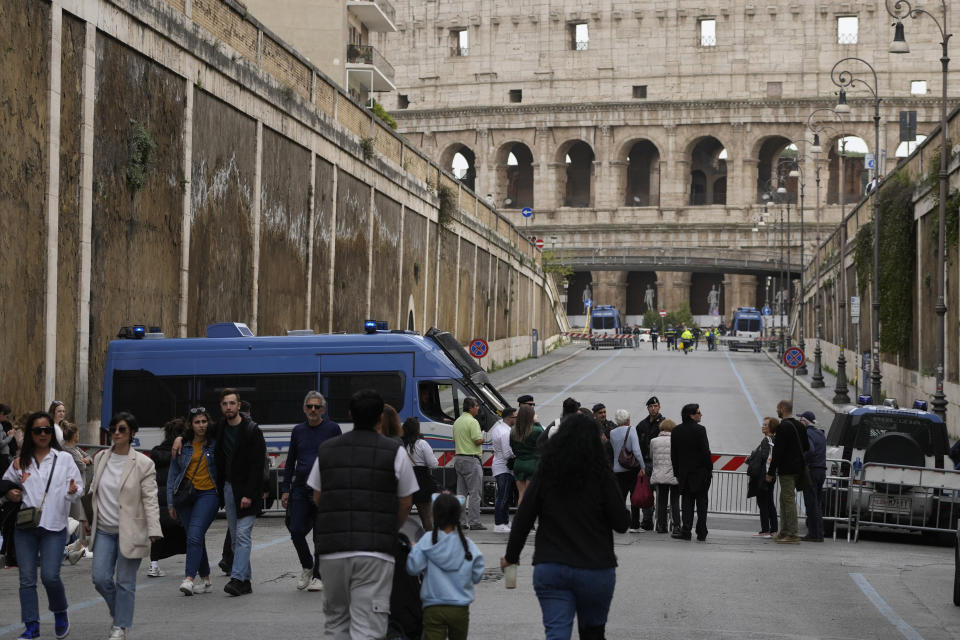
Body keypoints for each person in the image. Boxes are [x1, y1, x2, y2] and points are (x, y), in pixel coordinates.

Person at [501, 413, 629, 640]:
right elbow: (621, 523)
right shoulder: (601, 475)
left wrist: (511, 557)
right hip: (595, 568)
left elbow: (524, 518)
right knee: (593, 633)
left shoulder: (546, 473)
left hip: (551, 567)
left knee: (556, 633)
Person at [308, 388, 418, 640]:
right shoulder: (394, 452)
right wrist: (391, 526)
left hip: (332, 550)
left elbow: (317, 496)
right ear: (381, 417)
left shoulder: (327, 450)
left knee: (336, 621)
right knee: (367, 625)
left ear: (350, 415)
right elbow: (406, 499)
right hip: (375, 550)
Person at [2, 411, 84, 640]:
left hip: (54, 526)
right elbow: (6, 484)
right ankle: (31, 626)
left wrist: (73, 491)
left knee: (50, 576)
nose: (42, 434)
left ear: (52, 433)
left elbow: (80, 488)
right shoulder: (20, 461)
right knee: (27, 579)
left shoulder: (64, 459)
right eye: (37, 430)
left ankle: (60, 612)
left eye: (47, 430)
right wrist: (11, 493)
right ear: (30, 433)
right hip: (25, 528)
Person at [89, 412, 162, 640]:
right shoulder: (101, 457)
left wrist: (153, 529)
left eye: (121, 429)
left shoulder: (143, 463)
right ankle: (118, 613)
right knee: (100, 578)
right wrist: (86, 518)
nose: (116, 434)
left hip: (131, 530)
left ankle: (120, 626)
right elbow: (94, 490)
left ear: (131, 432)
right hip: (103, 529)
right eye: (113, 430)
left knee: (125, 582)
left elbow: (150, 498)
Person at [280, 391, 341, 592]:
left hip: (325, 489)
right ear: (304, 409)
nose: (313, 410)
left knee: (320, 536)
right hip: (300, 487)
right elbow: (290, 461)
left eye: (316, 406)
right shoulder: (298, 430)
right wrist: (285, 489)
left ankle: (318, 576)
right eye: (309, 406)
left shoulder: (333, 429)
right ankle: (307, 566)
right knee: (296, 529)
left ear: (323, 409)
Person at [405, 493, 485, 640]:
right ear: (457, 516)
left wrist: (414, 549)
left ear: (434, 516)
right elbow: (477, 574)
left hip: (433, 606)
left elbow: (413, 568)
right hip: (460, 607)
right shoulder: (467, 545)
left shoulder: (427, 541)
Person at [213, 388, 267, 596]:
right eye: (225, 404)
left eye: (232, 403)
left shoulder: (252, 430)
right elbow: (197, 429)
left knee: (243, 534)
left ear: (239, 405)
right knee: (236, 538)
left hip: (247, 491)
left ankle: (236, 578)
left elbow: (257, 465)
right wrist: (181, 437)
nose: (229, 407)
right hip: (228, 488)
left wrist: (250, 494)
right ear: (221, 407)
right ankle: (245, 581)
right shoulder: (219, 428)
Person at [167, 408, 218, 596]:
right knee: (195, 537)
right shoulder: (183, 445)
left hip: (209, 495)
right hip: (186, 497)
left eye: (204, 421)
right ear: (190, 425)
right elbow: (173, 475)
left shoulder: (214, 443)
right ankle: (206, 579)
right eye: (197, 422)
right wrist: (171, 503)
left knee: (195, 535)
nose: (201, 425)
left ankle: (189, 578)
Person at [147, 418, 187, 578]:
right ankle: (195, 565)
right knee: (188, 531)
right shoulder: (183, 451)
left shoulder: (156, 452)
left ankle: (153, 565)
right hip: (176, 498)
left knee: (159, 533)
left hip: (158, 498)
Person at [765, 400, 808, 544]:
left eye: (778, 409)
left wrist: (770, 472)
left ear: (783, 409)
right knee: (783, 500)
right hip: (798, 469)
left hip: (787, 470)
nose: (777, 411)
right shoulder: (799, 426)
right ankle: (783, 532)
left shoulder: (783, 427)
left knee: (788, 500)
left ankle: (793, 534)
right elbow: (806, 446)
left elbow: (778, 452)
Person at [670, 403, 712, 541]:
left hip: (685, 475)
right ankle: (701, 531)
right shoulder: (700, 430)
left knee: (687, 504)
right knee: (702, 503)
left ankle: (686, 530)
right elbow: (705, 452)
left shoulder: (676, 431)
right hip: (700, 473)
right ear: (691, 415)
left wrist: (677, 472)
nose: (701, 414)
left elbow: (674, 455)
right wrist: (709, 469)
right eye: (698, 412)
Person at [452, 396, 485, 530]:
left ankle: (461, 521)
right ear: (470, 408)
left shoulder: (457, 421)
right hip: (471, 459)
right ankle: (474, 522)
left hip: (459, 458)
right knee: (474, 493)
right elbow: (477, 440)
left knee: (461, 493)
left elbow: (454, 440)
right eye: (476, 406)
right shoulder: (473, 422)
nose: (478, 408)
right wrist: (483, 437)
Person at [61, 422, 92, 564]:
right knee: (74, 519)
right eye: (78, 433)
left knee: (77, 520)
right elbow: (82, 465)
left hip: (79, 490)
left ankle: (73, 549)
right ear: (74, 435)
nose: (79, 436)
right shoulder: (68, 450)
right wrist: (85, 461)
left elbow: (89, 458)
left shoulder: (76, 449)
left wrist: (85, 460)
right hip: (72, 491)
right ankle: (72, 548)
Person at [609, 409, 644, 532]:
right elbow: (636, 451)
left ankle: (620, 522)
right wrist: (642, 466)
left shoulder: (612, 432)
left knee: (621, 497)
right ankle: (635, 525)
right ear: (628, 420)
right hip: (631, 469)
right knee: (634, 497)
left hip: (617, 469)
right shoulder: (631, 430)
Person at [403, 416, 439, 531]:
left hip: (406, 483)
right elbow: (433, 464)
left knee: (403, 518)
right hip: (422, 483)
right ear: (417, 429)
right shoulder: (422, 444)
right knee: (426, 519)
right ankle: (430, 542)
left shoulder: (402, 444)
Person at [635, 397, 663, 530]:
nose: (653, 408)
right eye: (651, 406)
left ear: (659, 407)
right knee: (646, 492)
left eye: (655, 406)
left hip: (659, 463)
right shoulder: (642, 425)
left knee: (661, 493)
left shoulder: (664, 423)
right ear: (647, 408)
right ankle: (647, 520)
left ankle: (661, 521)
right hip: (645, 463)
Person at [747, 417, 778, 538]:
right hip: (769, 475)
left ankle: (766, 530)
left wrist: (768, 475)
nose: (763, 426)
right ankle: (773, 530)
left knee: (763, 502)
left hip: (764, 476)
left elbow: (766, 458)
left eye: (765, 425)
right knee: (769, 502)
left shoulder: (767, 440)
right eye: (763, 424)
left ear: (771, 427)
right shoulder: (773, 439)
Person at [799, 410, 826, 542]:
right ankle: (819, 533)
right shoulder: (820, 434)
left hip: (811, 471)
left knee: (811, 503)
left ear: (805, 422)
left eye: (800, 421)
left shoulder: (807, 433)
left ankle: (814, 534)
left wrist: (801, 460)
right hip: (821, 471)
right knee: (817, 503)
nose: (799, 423)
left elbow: (810, 450)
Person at [650, 418, 680, 535]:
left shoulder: (654, 441)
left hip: (659, 474)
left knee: (661, 501)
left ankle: (661, 526)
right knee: (674, 501)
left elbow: (652, 457)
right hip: (673, 474)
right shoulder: (676, 440)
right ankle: (676, 525)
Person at [488, 408, 516, 533]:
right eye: (515, 417)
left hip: (500, 466)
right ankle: (499, 523)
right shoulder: (505, 432)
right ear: (509, 418)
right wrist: (517, 454)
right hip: (503, 467)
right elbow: (507, 453)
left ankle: (504, 521)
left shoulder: (499, 428)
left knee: (504, 496)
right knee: (503, 497)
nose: (517, 419)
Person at [510, 404, 543, 503]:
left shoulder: (513, 430)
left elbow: (512, 447)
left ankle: (520, 518)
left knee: (522, 494)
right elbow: (544, 440)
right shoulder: (536, 430)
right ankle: (528, 518)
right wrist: (537, 423)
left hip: (519, 463)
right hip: (533, 463)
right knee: (530, 496)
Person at [591, 403, 616, 468]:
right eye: (600, 413)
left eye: (604, 412)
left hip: (610, 460)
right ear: (594, 414)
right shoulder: (591, 427)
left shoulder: (611, 424)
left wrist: (607, 441)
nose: (603, 415)